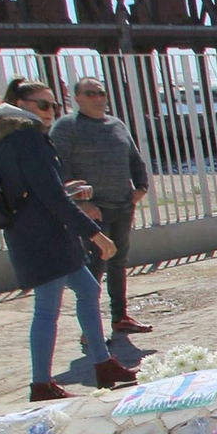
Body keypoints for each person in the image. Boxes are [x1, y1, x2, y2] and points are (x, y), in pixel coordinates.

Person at [0, 79, 133, 398]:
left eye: (55, 106)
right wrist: (95, 233)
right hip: (45, 238)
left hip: (30, 235)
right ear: (22, 107)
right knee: (47, 307)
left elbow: (30, 190)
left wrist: (67, 190)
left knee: (87, 288)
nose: (51, 112)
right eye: (44, 105)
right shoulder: (29, 139)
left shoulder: (2, 141)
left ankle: (102, 363)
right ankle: (41, 384)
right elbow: (50, 197)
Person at [50, 74, 152, 337]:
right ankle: (90, 327)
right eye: (91, 94)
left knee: (119, 261)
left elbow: (134, 158)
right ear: (77, 98)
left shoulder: (116, 124)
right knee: (94, 267)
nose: (98, 98)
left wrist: (141, 187)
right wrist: (81, 204)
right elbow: (58, 169)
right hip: (93, 211)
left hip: (122, 205)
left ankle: (120, 317)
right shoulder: (66, 127)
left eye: (101, 93)